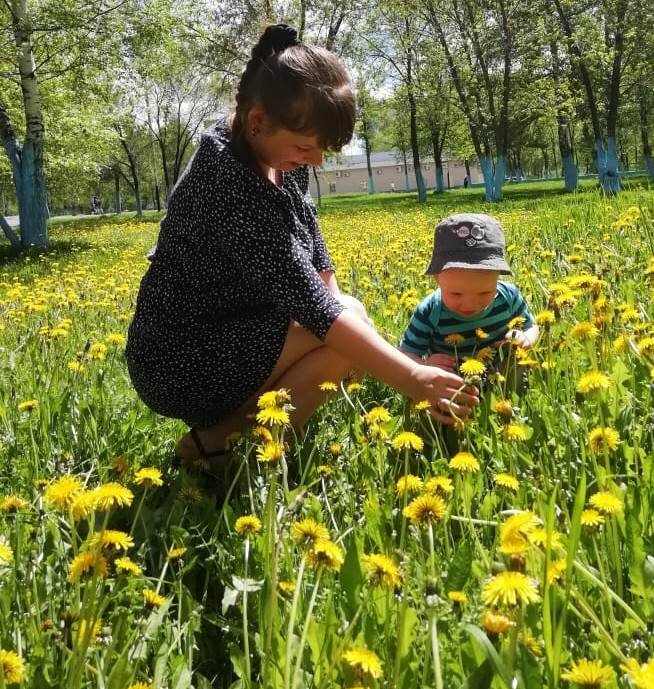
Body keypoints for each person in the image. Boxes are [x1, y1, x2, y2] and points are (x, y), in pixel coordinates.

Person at [125, 24, 477, 466]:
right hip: (179, 359)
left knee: (350, 327)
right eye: (307, 148)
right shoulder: (225, 184)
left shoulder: (276, 151)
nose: (314, 161)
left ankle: (224, 437)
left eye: (322, 150)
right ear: (257, 121)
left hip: (236, 329)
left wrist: (378, 352)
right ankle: (219, 447)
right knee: (339, 338)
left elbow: (313, 249)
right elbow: (313, 307)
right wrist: (411, 376)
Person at [399, 213, 539, 370]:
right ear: (437, 279)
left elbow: (531, 326)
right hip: (453, 383)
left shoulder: (509, 297)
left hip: (502, 378)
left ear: (498, 276)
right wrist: (424, 365)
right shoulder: (430, 311)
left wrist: (526, 338)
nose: (470, 304)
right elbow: (405, 353)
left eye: (485, 293)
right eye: (456, 294)